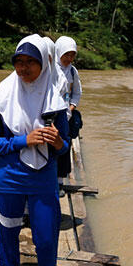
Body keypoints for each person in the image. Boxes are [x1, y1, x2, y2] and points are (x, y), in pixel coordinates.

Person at [0, 34, 70, 266]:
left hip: (43, 180)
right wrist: (23, 140)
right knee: (8, 233)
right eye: (19, 61)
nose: (23, 68)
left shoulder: (55, 100)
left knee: (46, 236)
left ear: (44, 63)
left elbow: (65, 144)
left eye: (31, 61)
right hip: (9, 178)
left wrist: (57, 143)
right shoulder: (3, 97)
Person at [54, 36, 83, 186]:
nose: (70, 58)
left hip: (66, 116)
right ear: (58, 52)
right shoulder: (49, 69)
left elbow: (77, 93)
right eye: (67, 54)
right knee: (48, 146)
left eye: (73, 55)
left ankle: (59, 182)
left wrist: (71, 108)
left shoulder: (72, 71)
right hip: (49, 115)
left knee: (64, 147)